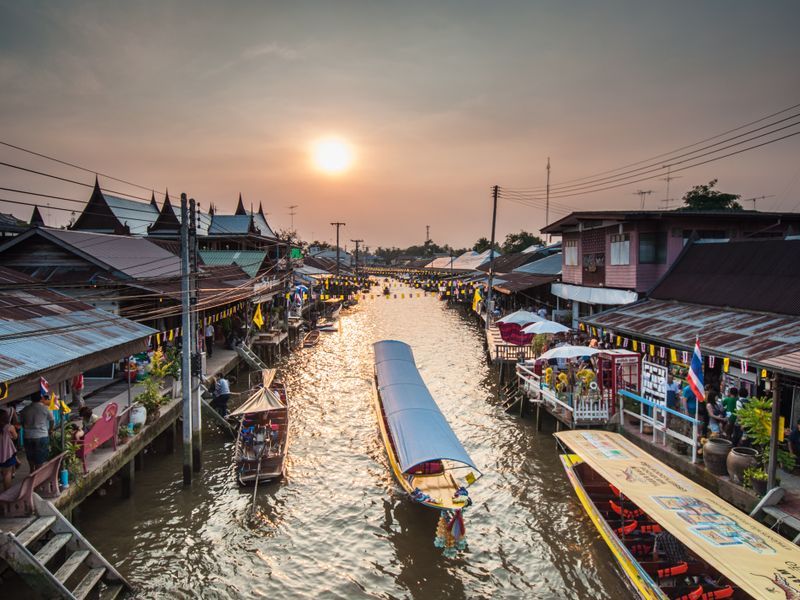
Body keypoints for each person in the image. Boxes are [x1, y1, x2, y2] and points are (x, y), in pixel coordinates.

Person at [20, 394, 54, 472]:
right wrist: (50, 430)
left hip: (28, 436)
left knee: (30, 455)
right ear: (41, 398)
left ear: (31, 399)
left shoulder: (25, 409)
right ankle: (38, 473)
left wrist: (26, 428)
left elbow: (22, 423)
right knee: (40, 456)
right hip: (41, 435)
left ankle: (32, 471)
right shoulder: (45, 409)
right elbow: (52, 420)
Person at [0, 409, 18, 490]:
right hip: (7, 453)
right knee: (7, 474)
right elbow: (15, 437)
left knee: (3, 473)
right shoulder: (9, 427)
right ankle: (6, 493)